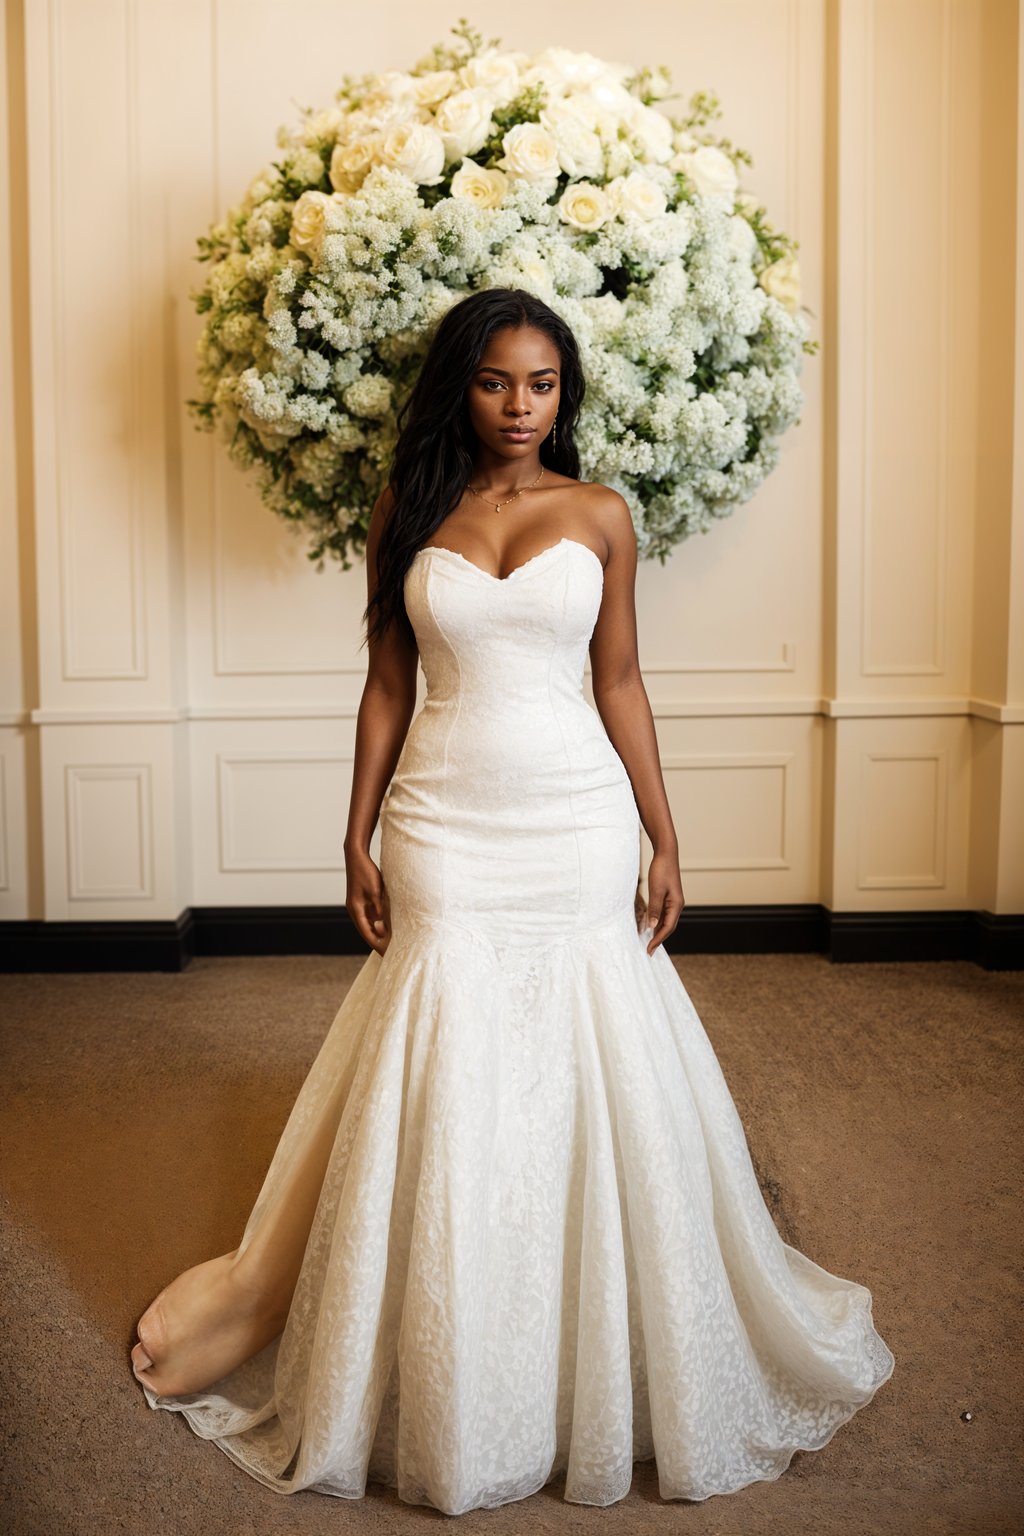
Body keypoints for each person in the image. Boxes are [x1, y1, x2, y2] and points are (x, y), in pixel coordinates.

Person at [130, 287, 895, 1515]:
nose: (520, 407)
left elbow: (623, 680)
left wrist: (662, 829)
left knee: (590, 1050)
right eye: (497, 383)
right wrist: (356, 829)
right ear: (461, 385)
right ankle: (454, 1336)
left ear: (565, 392)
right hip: (442, 819)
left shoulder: (601, 514)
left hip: (574, 817)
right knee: (445, 1045)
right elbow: (387, 682)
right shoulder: (407, 507)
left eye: (542, 384)